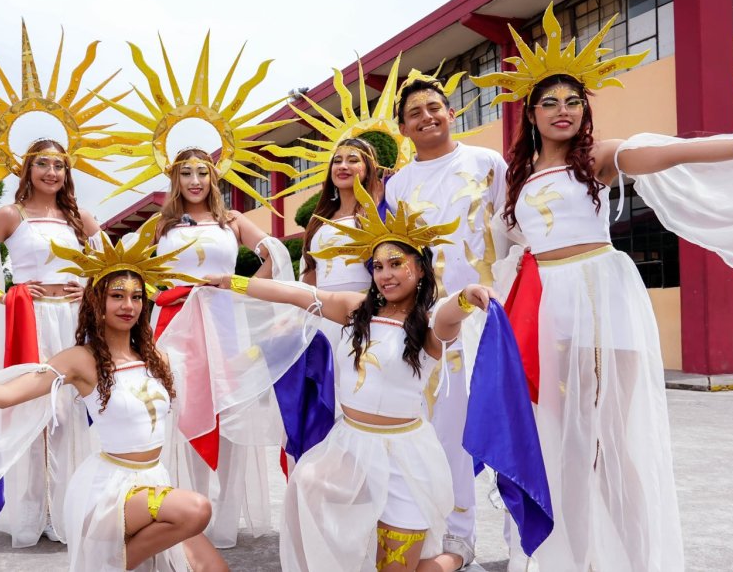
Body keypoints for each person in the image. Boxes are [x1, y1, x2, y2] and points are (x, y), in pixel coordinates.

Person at [471, 1, 733, 571]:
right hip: (544, 306)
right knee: (560, 441)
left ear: (585, 111)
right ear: (530, 114)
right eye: (548, 102)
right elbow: (504, 249)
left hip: (600, 296)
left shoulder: (598, 159)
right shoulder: (518, 178)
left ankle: (633, 559)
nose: (562, 111)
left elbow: (674, 150)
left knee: (610, 442)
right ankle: (570, 558)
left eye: (573, 101)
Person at [0, 215, 229, 571]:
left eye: (135, 297)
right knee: (197, 509)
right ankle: (101, 563)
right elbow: (9, 394)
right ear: (97, 302)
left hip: (156, 481)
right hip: (113, 492)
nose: (128, 305)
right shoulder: (81, 360)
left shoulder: (155, 355)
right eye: (116, 296)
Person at [201, 180, 495, 572]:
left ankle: (452, 558)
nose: (385, 275)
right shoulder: (356, 309)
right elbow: (293, 294)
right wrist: (234, 283)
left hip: (404, 457)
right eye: (377, 266)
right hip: (348, 446)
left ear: (421, 268)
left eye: (396, 264)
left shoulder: (427, 323)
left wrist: (465, 297)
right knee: (316, 514)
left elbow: (449, 317)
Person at [384, 69, 509, 568]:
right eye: (414, 113)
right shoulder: (398, 187)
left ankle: (525, 545)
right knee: (440, 431)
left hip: (489, 315)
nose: (427, 117)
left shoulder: (487, 163)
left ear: (451, 113)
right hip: (431, 323)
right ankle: (452, 539)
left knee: (502, 427)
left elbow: (516, 234)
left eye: (434, 108)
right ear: (405, 129)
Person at [152, 146, 293, 548]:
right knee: (180, 410)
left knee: (229, 414)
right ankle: (185, 514)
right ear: (175, 179)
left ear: (214, 178)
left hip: (224, 323)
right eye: (186, 173)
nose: (195, 181)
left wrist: (243, 288)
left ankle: (225, 520)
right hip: (174, 324)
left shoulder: (231, 220)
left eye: (203, 172)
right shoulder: (160, 227)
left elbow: (277, 255)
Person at [0, 138, 103, 546]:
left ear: (68, 172)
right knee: (35, 415)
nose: (51, 172)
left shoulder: (81, 217)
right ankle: (33, 512)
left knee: (72, 413)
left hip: (74, 323)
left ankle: (69, 509)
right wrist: (9, 298)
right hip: (31, 320)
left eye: (59, 165)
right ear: (25, 169)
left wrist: (90, 292)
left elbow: (110, 268)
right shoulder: (10, 215)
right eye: (42, 164)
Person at [300, 137, 382, 293]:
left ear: (368, 168)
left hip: (367, 310)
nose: (343, 166)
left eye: (352, 160)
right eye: (337, 161)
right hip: (323, 311)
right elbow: (310, 272)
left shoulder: (379, 212)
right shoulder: (317, 220)